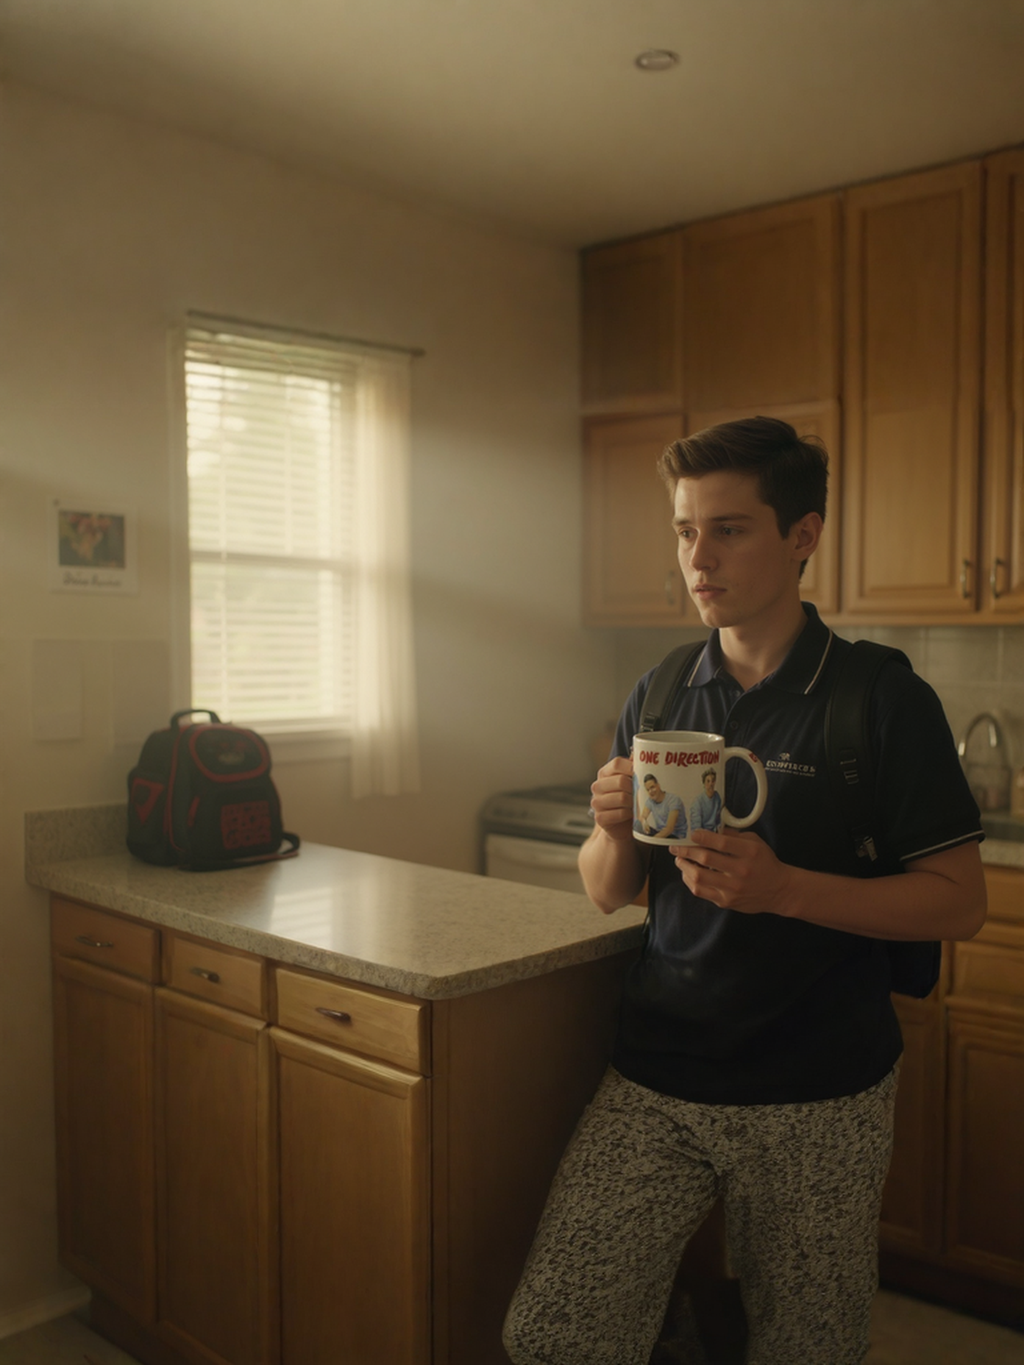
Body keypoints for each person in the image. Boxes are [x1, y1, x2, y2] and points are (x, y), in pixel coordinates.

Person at [503, 417, 986, 1365]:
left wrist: (786, 888)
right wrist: (609, 826)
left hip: (821, 1088)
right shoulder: (662, 690)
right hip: (658, 1073)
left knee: (808, 1347)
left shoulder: (879, 698)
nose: (698, 557)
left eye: (728, 529)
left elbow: (958, 900)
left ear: (803, 535)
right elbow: (610, 892)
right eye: (686, 530)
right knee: (555, 1333)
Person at [638, 774, 687, 840]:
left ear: (658, 785)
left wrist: (652, 840)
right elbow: (643, 816)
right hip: (659, 833)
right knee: (637, 825)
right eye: (648, 790)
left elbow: (669, 829)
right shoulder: (650, 801)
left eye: (652, 787)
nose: (650, 791)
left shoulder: (673, 800)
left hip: (674, 837)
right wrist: (644, 822)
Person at [689, 768, 722, 833]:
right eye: (708, 781)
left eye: (713, 781)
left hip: (714, 833)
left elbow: (718, 820)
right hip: (702, 835)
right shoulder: (697, 802)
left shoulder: (717, 797)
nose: (711, 784)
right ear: (704, 783)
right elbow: (696, 828)